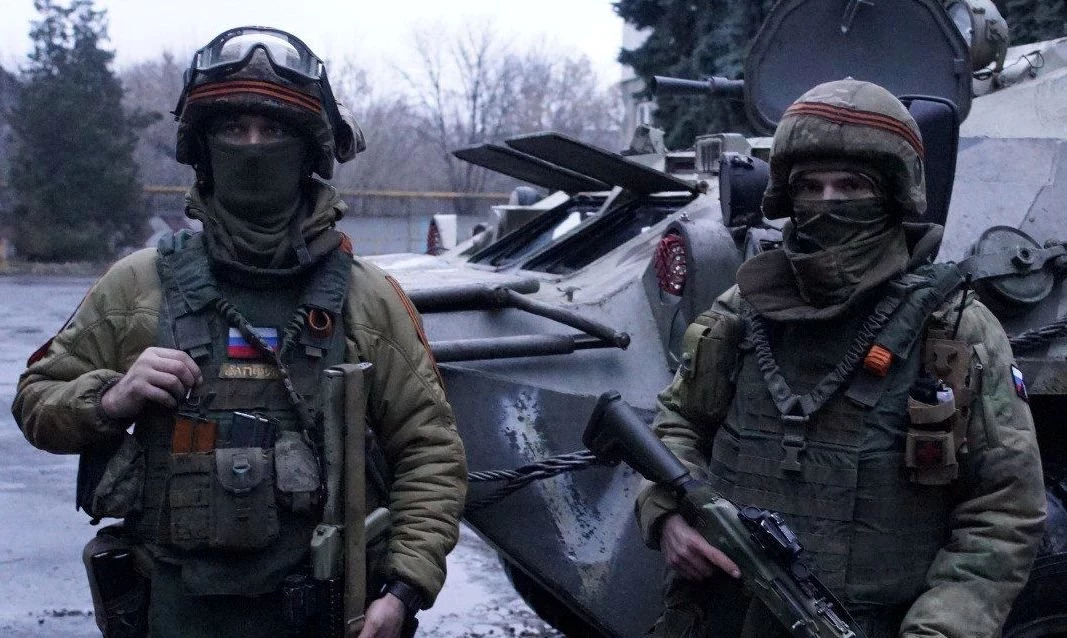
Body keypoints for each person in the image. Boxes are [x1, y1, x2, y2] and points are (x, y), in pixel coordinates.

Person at [12, 26, 467, 638]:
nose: (252, 146)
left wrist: (404, 589)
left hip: (329, 615)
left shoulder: (368, 300)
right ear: (203, 148)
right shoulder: (138, 287)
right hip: (173, 613)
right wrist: (111, 397)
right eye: (232, 128)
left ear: (308, 152)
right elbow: (36, 401)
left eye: (273, 130)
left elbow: (430, 452)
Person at [635, 79, 1046, 637]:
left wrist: (941, 629)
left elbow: (1004, 510)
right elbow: (678, 424)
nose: (828, 203)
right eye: (811, 186)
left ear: (892, 194)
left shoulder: (953, 329)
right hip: (718, 618)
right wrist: (667, 514)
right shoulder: (741, 310)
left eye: (851, 185)